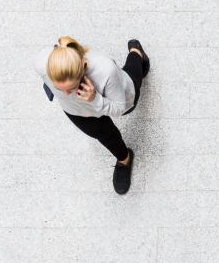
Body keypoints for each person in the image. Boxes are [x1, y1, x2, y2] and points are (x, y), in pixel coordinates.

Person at [36, 36, 149, 194]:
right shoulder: (42, 63)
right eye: (59, 87)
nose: (67, 93)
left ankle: (136, 53)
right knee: (105, 135)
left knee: (134, 79)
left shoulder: (106, 71)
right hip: (78, 112)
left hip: (114, 96)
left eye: (73, 87)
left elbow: (119, 109)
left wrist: (95, 99)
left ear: (84, 66)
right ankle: (124, 159)